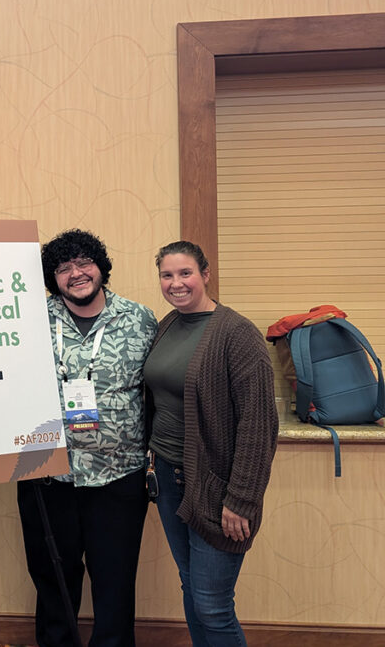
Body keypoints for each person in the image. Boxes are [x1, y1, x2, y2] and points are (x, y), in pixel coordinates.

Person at [16, 229, 157, 647]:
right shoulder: (26, 321)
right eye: (63, 268)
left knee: (115, 582)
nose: (76, 274)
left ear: (101, 267)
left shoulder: (140, 319)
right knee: (52, 580)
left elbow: (160, 389)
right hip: (47, 475)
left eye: (83, 263)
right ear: (52, 278)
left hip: (120, 478)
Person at [144, 241, 278, 645]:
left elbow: (259, 424)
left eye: (185, 273)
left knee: (213, 603)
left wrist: (242, 499)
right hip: (167, 475)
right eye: (167, 275)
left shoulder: (237, 334)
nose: (176, 283)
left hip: (217, 485)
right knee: (192, 588)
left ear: (205, 274)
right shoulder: (168, 324)